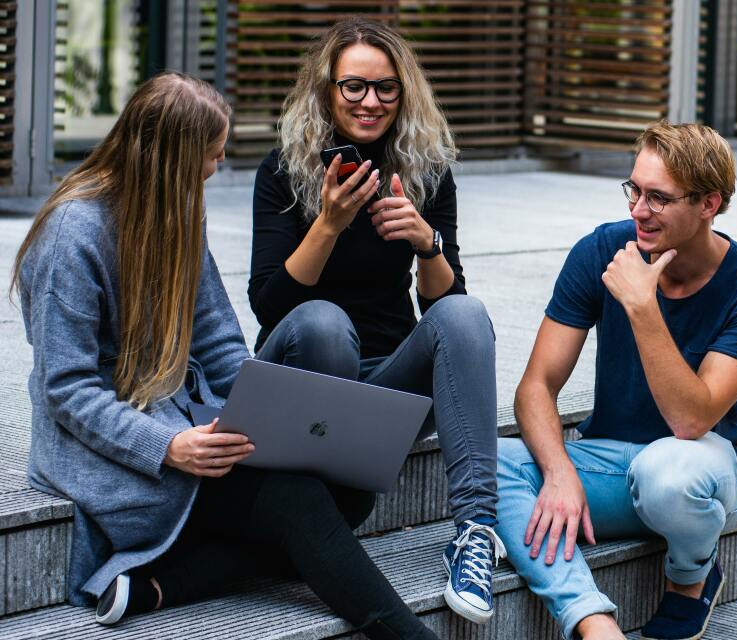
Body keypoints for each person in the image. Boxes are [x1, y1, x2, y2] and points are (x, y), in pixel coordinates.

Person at [13, 73, 439, 639]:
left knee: (350, 494)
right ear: (170, 157)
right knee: (298, 501)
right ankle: (407, 633)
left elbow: (217, 340)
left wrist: (257, 413)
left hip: (186, 424)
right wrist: (167, 446)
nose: (215, 168)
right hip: (107, 447)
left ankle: (166, 584)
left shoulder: (179, 210)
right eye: (210, 156)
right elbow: (65, 390)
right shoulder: (73, 234)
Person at [247, 18, 502, 624]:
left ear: (404, 92)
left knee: (466, 314)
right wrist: (329, 223)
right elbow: (269, 306)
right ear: (327, 90)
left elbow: (447, 311)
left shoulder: (425, 169)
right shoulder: (283, 171)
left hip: (386, 387)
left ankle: (475, 535)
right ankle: (317, 514)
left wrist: (427, 243)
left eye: (386, 88)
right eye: (354, 86)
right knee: (325, 323)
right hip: (304, 372)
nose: (370, 102)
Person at [495, 121, 737, 640]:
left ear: (709, 204)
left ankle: (690, 579)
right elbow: (536, 386)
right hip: (609, 459)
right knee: (488, 461)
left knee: (668, 472)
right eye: (634, 189)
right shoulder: (603, 249)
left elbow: (691, 419)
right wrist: (560, 472)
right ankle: (591, 619)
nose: (637, 210)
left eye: (658, 198)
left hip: (703, 467)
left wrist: (641, 305)